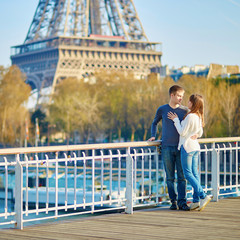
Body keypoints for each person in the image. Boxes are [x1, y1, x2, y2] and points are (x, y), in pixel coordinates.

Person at [148, 85, 190, 211]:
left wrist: (194, 135)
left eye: (182, 96)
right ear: (172, 95)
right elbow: (154, 122)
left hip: (181, 148)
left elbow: (192, 124)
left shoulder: (185, 111)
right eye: (179, 96)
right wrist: (152, 136)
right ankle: (173, 202)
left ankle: (182, 202)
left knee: (182, 177)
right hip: (166, 147)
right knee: (170, 177)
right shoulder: (162, 109)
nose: (181, 99)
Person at [167, 94, 211, 211]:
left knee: (187, 174)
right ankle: (196, 201)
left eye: (189, 101)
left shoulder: (190, 116)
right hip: (195, 147)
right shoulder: (198, 116)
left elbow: (182, 132)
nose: (187, 102)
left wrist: (176, 120)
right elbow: (200, 132)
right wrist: (196, 134)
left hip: (187, 148)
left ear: (193, 103)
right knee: (195, 174)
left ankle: (202, 196)